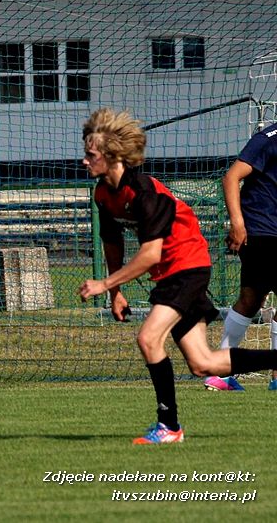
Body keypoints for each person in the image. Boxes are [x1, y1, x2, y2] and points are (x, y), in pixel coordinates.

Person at [78, 108, 277, 444]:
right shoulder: (104, 194)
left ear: (112, 157)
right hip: (173, 273)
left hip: (187, 268)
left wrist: (104, 284)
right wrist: (116, 293)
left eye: (91, 154)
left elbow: (151, 254)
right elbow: (112, 244)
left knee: (148, 338)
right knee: (204, 364)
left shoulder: (145, 192)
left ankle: (169, 427)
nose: (84, 160)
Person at [203, 121, 277, 392]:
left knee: (250, 299)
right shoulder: (269, 137)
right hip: (264, 230)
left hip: (266, 232)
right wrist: (237, 223)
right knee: (250, 299)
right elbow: (232, 176)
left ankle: (219, 374)